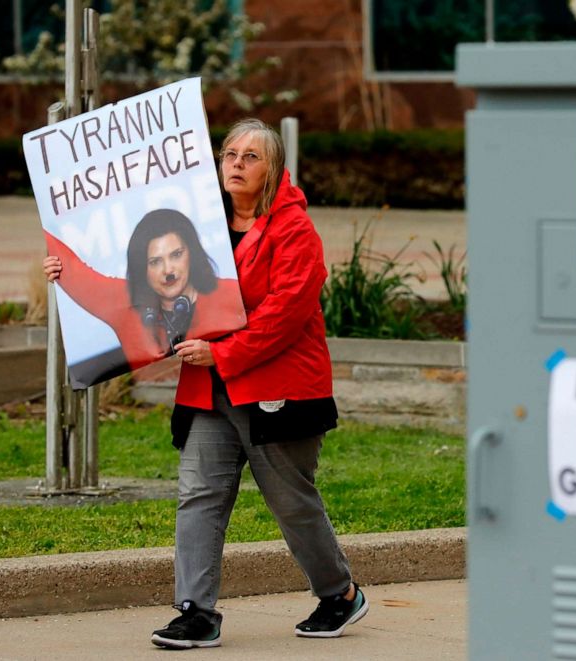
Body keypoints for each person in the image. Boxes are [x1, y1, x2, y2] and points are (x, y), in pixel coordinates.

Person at [147, 117, 366, 649]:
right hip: (208, 390)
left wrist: (221, 354)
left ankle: (339, 594)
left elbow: (284, 315)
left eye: (251, 156)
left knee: (291, 501)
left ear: (274, 168)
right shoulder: (199, 227)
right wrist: (67, 273)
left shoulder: (295, 231)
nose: (236, 164)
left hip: (278, 387)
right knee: (198, 494)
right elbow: (142, 277)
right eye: (229, 154)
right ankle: (196, 612)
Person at [43, 208, 246, 383]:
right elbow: (76, 274)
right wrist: (56, 266)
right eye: (155, 262)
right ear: (142, 268)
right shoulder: (126, 302)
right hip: (186, 411)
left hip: (233, 392)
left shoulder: (229, 293)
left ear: (192, 253)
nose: (168, 270)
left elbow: (267, 329)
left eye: (176, 255)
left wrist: (218, 354)